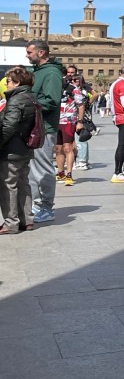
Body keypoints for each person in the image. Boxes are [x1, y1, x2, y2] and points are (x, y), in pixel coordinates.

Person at [26, 39, 63, 223]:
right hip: (34, 126)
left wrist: (28, 105)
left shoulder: (52, 73)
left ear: (41, 53)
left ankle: (46, 206)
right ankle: (36, 203)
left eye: (30, 52)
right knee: (32, 170)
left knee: (43, 168)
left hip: (44, 128)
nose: (27, 55)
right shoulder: (38, 71)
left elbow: (52, 100)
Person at [0, 66, 39, 234]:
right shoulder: (31, 97)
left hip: (11, 149)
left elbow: (9, 126)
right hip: (25, 148)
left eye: (8, 81)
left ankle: (11, 223)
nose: (6, 84)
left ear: (17, 82)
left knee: (8, 185)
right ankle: (27, 220)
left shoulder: (16, 100)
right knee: (23, 183)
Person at [55, 72, 86, 185]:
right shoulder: (53, 89)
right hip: (55, 121)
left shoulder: (73, 89)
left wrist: (80, 121)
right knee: (58, 148)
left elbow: (81, 105)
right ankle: (60, 172)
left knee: (67, 147)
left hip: (68, 121)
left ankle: (69, 174)